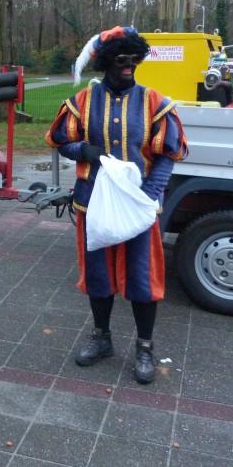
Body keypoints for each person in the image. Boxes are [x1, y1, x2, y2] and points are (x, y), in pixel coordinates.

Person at [47, 26, 188, 384]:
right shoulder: (82, 102)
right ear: (107, 62)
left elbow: (170, 152)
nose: (129, 66)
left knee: (142, 278)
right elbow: (61, 140)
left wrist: (150, 192)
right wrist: (84, 151)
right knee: (98, 277)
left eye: (134, 59)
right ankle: (102, 338)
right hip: (92, 202)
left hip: (139, 207)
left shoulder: (155, 101)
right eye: (121, 60)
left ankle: (144, 347)